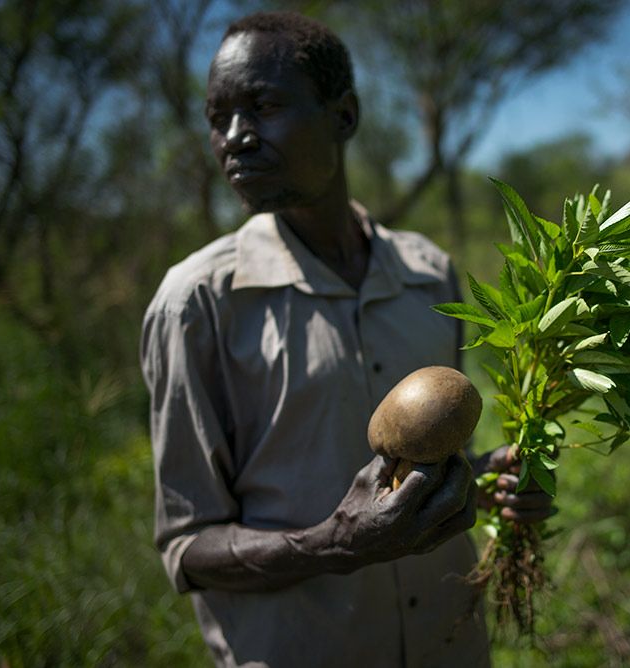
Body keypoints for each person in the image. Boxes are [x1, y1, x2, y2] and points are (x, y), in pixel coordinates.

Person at [140, 11, 553, 667]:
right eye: (219, 118)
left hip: (451, 644)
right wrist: (338, 542)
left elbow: (432, 473)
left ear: (345, 116)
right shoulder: (197, 305)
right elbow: (190, 546)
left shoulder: (429, 274)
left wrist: (486, 485)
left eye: (265, 105)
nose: (234, 138)